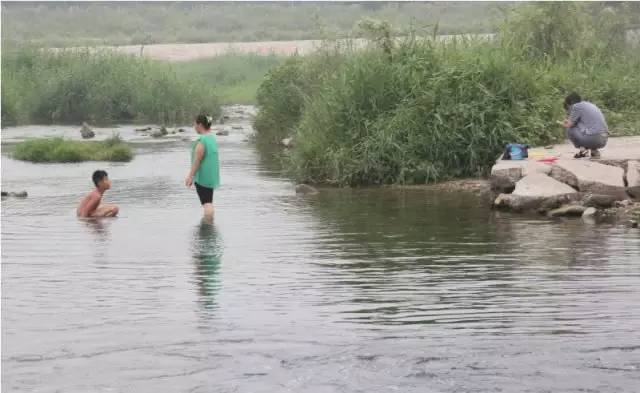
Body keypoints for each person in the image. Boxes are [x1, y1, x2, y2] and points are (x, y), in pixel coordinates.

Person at [185, 114, 220, 218]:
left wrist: (190, 176)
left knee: (206, 203)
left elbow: (197, 160)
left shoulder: (202, 141)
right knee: (208, 202)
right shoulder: (212, 138)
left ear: (200, 124)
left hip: (202, 177)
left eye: (195, 124)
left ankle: (208, 227)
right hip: (211, 176)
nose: (194, 126)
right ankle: (209, 225)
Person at [561, 92, 609, 159]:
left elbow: (569, 125)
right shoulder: (590, 105)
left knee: (570, 129)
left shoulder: (576, 106)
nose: (569, 111)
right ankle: (594, 151)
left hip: (594, 139)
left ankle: (583, 150)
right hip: (604, 139)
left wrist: (564, 123)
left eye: (568, 108)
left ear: (571, 103)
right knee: (587, 128)